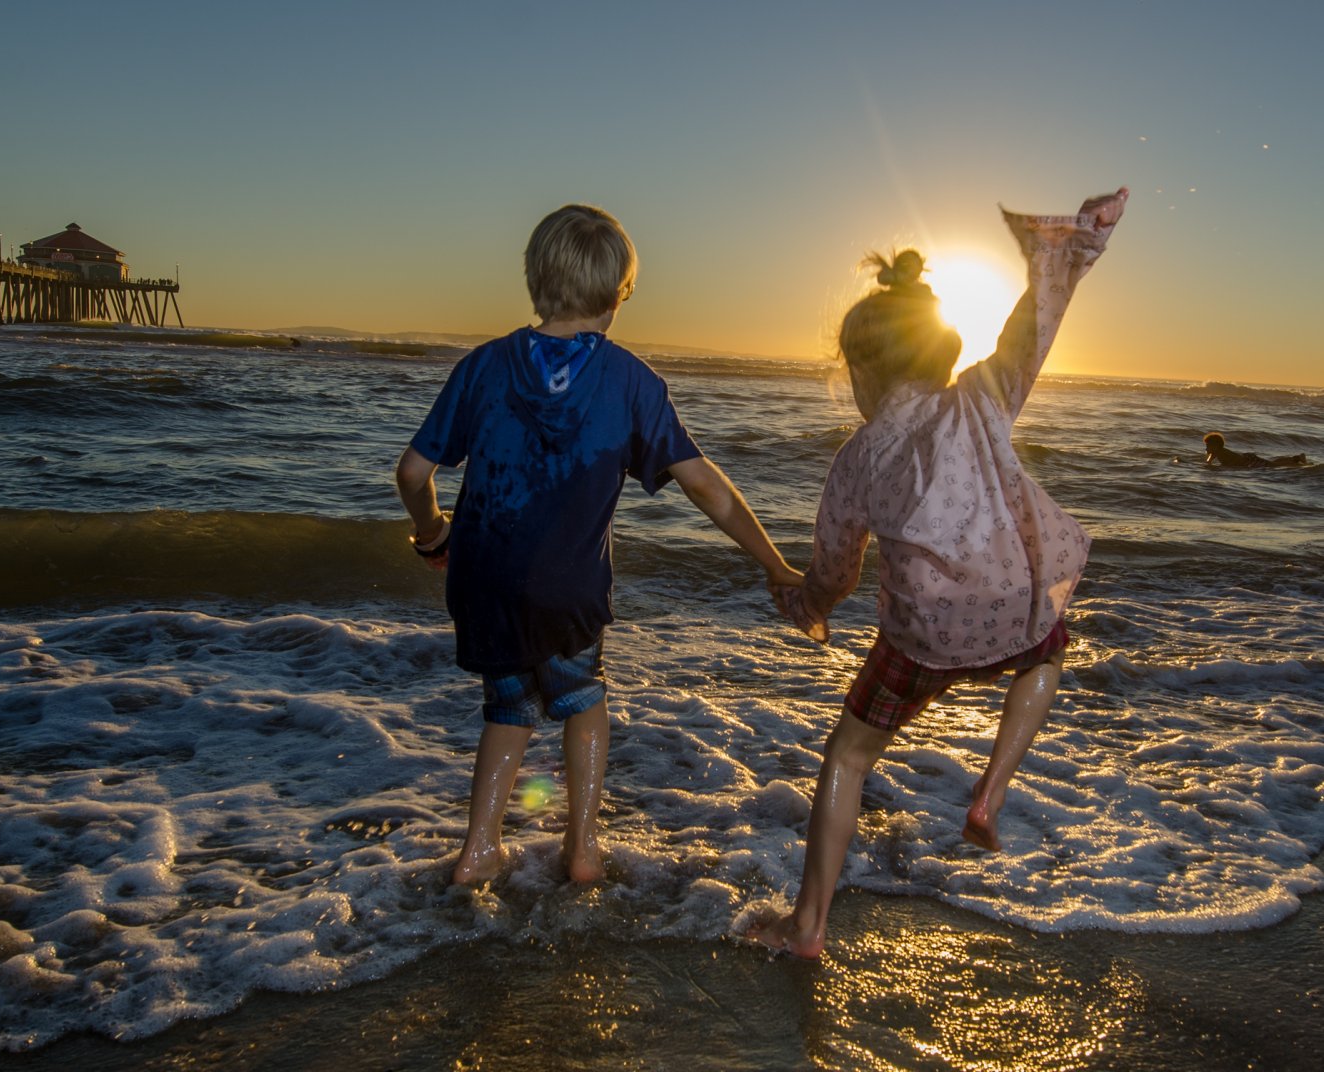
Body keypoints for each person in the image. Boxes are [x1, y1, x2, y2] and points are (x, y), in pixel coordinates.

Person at [746, 188, 1130, 959]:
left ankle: (808, 926)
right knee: (1050, 651)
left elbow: (836, 572)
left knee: (847, 758)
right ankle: (990, 792)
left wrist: (804, 602)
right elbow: (1033, 330)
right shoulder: (983, 399)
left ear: (857, 369)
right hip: (1014, 607)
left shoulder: (855, 461)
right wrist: (1068, 250)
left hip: (922, 634)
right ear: (943, 352)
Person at [396, 203, 801, 887]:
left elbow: (412, 472)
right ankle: (581, 851)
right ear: (621, 294)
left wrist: (434, 533)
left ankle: (479, 852)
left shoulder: (483, 367)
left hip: (482, 581)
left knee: (508, 707)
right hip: (570, 589)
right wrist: (776, 563)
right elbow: (707, 489)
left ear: (532, 276)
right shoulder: (631, 382)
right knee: (582, 702)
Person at [1203, 432, 1306, 468]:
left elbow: (1230, 464)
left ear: (1215, 446)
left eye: (1208, 446)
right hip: (1248, 460)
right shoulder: (1217, 451)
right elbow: (1209, 462)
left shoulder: (1221, 452)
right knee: (1272, 463)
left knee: (1273, 465)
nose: (1206, 448)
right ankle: (1296, 459)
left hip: (1250, 462)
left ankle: (1297, 459)